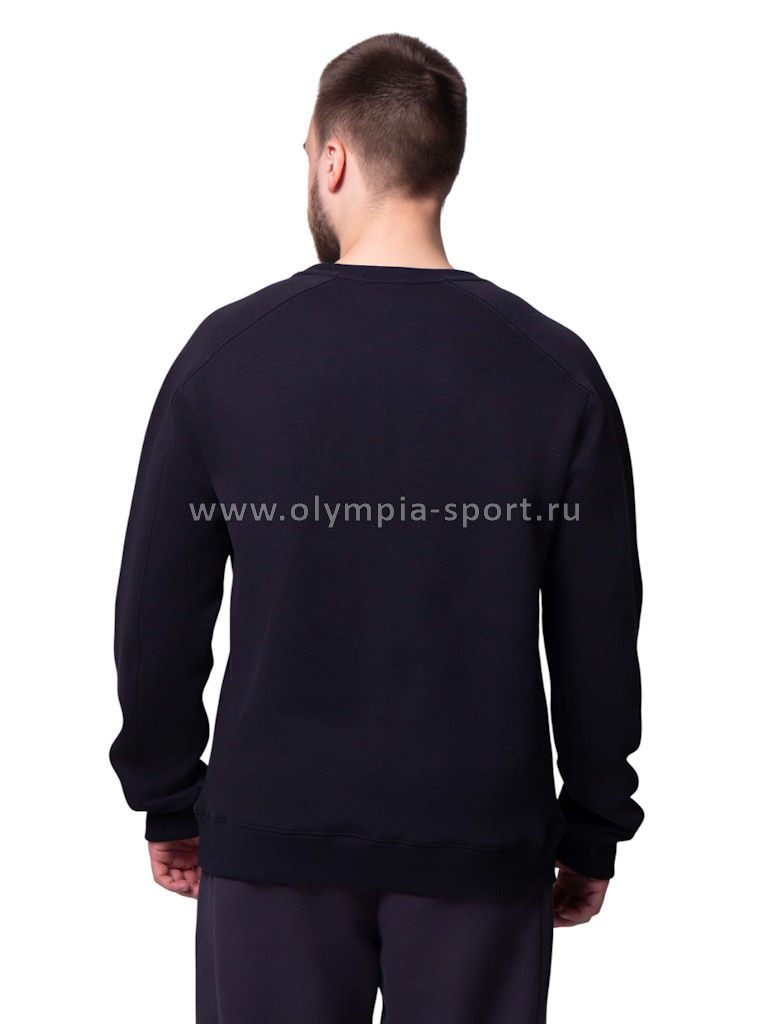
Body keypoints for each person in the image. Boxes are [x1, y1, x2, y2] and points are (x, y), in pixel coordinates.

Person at [110, 32, 643, 1024]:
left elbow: (157, 609)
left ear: (333, 159)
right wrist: (594, 822)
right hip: (482, 843)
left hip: (273, 838)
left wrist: (168, 793)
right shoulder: (554, 372)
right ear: (445, 164)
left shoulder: (228, 357)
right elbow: (599, 629)